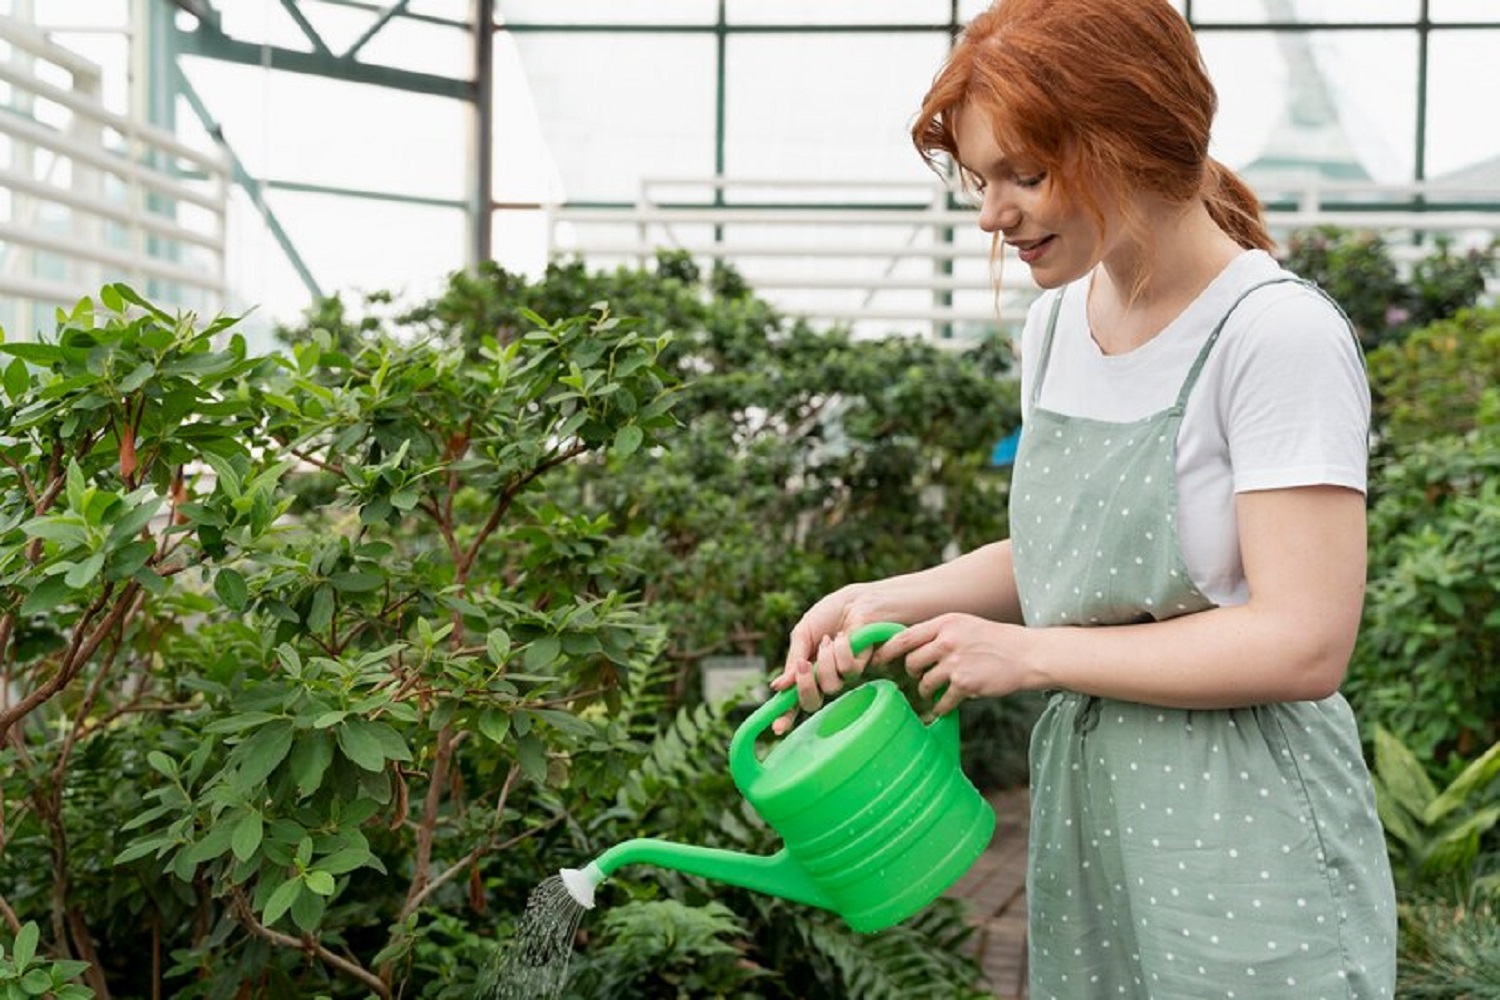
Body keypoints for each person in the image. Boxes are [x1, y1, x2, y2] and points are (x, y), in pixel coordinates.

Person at [769, 0, 1398, 996]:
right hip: (1097, 817)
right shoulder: (1059, 323)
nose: (991, 214)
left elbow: (1304, 640)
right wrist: (896, 596)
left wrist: (1024, 654)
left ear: (1140, 140)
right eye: (981, 179)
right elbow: (1083, 560)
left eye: (1026, 175)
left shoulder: (1273, 337)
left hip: (1247, 826)